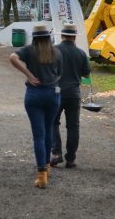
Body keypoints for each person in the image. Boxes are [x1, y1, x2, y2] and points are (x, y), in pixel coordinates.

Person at [9, 23, 62, 189]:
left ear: (34, 37)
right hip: (53, 94)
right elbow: (60, 72)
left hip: (34, 94)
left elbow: (12, 57)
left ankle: (42, 175)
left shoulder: (29, 50)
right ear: (48, 37)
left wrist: (29, 75)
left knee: (38, 135)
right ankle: (46, 166)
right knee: (48, 132)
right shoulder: (57, 52)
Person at [49, 22, 91, 168]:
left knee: (53, 122)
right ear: (74, 37)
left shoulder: (54, 51)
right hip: (74, 93)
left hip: (57, 92)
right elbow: (86, 74)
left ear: (62, 35)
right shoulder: (81, 53)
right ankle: (71, 158)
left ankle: (56, 153)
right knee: (73, 126)